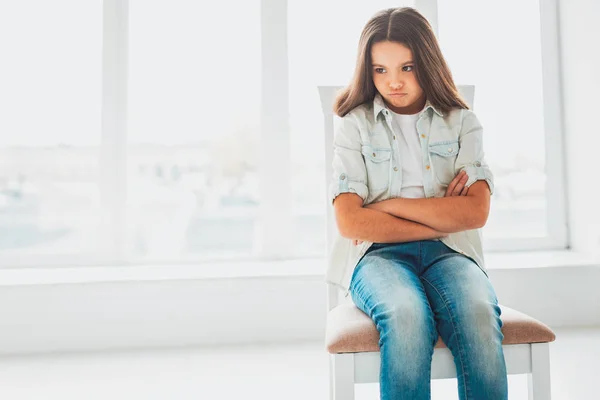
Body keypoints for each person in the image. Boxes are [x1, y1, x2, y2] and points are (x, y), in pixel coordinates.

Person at [328, 7, 508, 400]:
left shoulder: (463, 122)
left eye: (407, 67)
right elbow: (349, 222)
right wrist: (442, 216)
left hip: (451, 254)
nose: (393, 82)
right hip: (377, 258)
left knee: (478, 313)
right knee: (407, 316)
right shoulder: (354, 126)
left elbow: (474, 213)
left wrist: (385, 205)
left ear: (426, 62)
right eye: (380, 70)